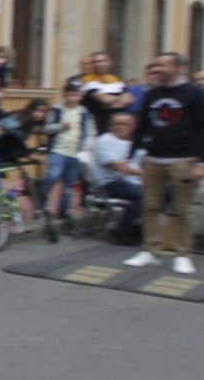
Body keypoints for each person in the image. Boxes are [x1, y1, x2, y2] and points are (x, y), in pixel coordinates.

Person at [123, 53, 204, 274]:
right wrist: (131, 156)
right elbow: (142, 127)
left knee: (182, 209)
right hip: (153, 159)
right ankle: (150, 250)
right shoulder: (153, 94)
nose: (158, 68)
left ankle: (182, 254)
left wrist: (201, 163)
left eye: (163, 65)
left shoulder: (195, 93)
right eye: (156, 64)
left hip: (184, 159)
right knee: (149, 206)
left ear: (177, 68)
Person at [88, 112, 143, 241]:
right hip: (110, 184)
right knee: (145, 195)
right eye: (116, 124)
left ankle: (143, 226)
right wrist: (148, 173)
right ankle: (123, 229)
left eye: (124, 124)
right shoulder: (105, 140)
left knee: (167, 191)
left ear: (133, 126)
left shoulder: (135, 142)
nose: (120, 127)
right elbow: (119, 167)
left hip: (132, 181)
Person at [43, 84, 93, 219]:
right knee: (53, 175)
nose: (72, 98)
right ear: (64, 95)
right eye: (69, 95)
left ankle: (64, 211)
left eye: (75, 95)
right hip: (58, 150)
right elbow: (47, 128)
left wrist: (85, 149)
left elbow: (89, 132)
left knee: (70, 183)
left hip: (75, 151)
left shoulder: (84, 113)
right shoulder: (56, 109)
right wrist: (61, 126)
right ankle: (43, 203)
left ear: (80, 97)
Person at [78, 50, 131, 134]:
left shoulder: (116, 79)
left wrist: (109, 104)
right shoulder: (87, 80)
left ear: (109, 63)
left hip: (117, 127)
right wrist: (118, 101)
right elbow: (104, 99)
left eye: (102, 61)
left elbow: (128, 99)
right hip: (98, 126)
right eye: (95, 62)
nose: (99, 64)